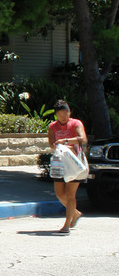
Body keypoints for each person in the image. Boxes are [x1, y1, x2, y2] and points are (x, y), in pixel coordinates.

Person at [48, 99, 87, 233]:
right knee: (60, 194)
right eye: (60, 114)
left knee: (70, 194)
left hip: (74, 163)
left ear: (70, 112)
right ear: (56, 115)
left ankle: (67, 224)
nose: (63, 117)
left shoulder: (76, 123)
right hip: (60, 163)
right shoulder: (52, 126)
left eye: (65, 114)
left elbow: (83, 139)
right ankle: (75, 213)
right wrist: (59, 146)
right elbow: (52, 144)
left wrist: (65, 141)